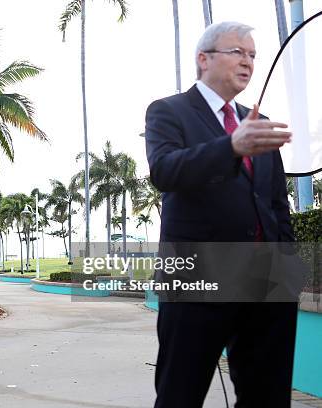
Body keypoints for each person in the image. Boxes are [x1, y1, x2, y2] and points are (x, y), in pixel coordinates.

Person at [145, 22, 296, 407]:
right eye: (237, 52)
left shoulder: (258, 123)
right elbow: (165, 171)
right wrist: (230, 146)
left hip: (266, 286)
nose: (247, 62)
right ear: (204, 58)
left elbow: (277, 204)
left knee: (267, 396)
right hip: (198, 282)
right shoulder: (168, 111)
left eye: (252, 56)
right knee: (181, 393)